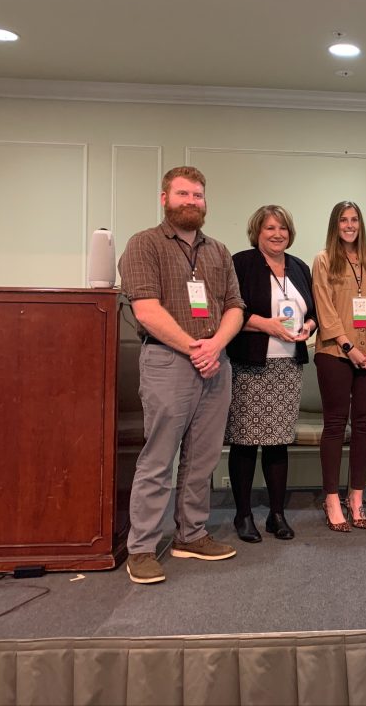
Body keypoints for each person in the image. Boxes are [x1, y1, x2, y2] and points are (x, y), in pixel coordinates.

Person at [118, 166, 244, 585]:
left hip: (215, 363)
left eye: (198, 195)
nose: (191, 201)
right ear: (165, 198)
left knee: (203, 458)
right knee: (158, 458)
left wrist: (215, 345)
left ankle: (191, 535)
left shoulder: (218, 251)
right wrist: (195, 348)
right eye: (183, 194)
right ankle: (141, 548)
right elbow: (145, 309)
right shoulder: (144, 244)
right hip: (168, 361)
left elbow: (235, 307)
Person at [224, 205, 317, 543]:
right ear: (257, 232)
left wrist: (308, 326)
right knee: (245, 442)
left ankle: (276, 515)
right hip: (250, 365)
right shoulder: (241, 263)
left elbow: (314, 312)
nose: (277, 234)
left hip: (287, 367)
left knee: (278, 443)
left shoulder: (299, 267)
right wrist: (266, 325)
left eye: (283, 228)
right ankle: (243, 514)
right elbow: (229, 310)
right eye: (270, 228)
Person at [311, 201, 366, 531]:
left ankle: (356, 498)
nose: (349, 225)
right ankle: (332, 499)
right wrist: (349, 347)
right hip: (335, 353)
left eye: (354, 219)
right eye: (343, 220)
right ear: (335, 225)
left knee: (363, 425)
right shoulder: (323, 260)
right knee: (335, 424)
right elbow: (324, 308)